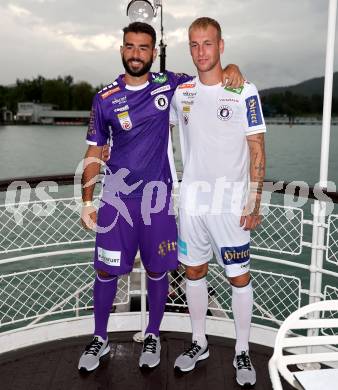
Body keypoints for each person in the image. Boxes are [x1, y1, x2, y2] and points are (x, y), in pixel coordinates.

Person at [78, 21, 244, 372]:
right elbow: (95, 151)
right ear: (121, 49)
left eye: (143, 48)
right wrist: (87, 201)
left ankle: (152, 333)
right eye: (130, 46)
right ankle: (100, 338)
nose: (136, 54)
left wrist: (232, 68)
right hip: (117, 201)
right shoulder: (104, 98)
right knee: (106, 273)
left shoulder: (169, 84)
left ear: (154, 53)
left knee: (157, 271)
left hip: (158, 200)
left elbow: (207, 74)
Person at [169, 17, 266, 387]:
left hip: (230, 204)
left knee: (238, 277)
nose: (200, 52)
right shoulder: (182, 93)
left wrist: (254, 199)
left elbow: (257, 146)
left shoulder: (245, 90)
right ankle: (199, 342)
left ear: (221, 45)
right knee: (193, 271)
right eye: (194, 44)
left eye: (207, 44)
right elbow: (155, 122)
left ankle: (242, 349)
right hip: (193, 202)